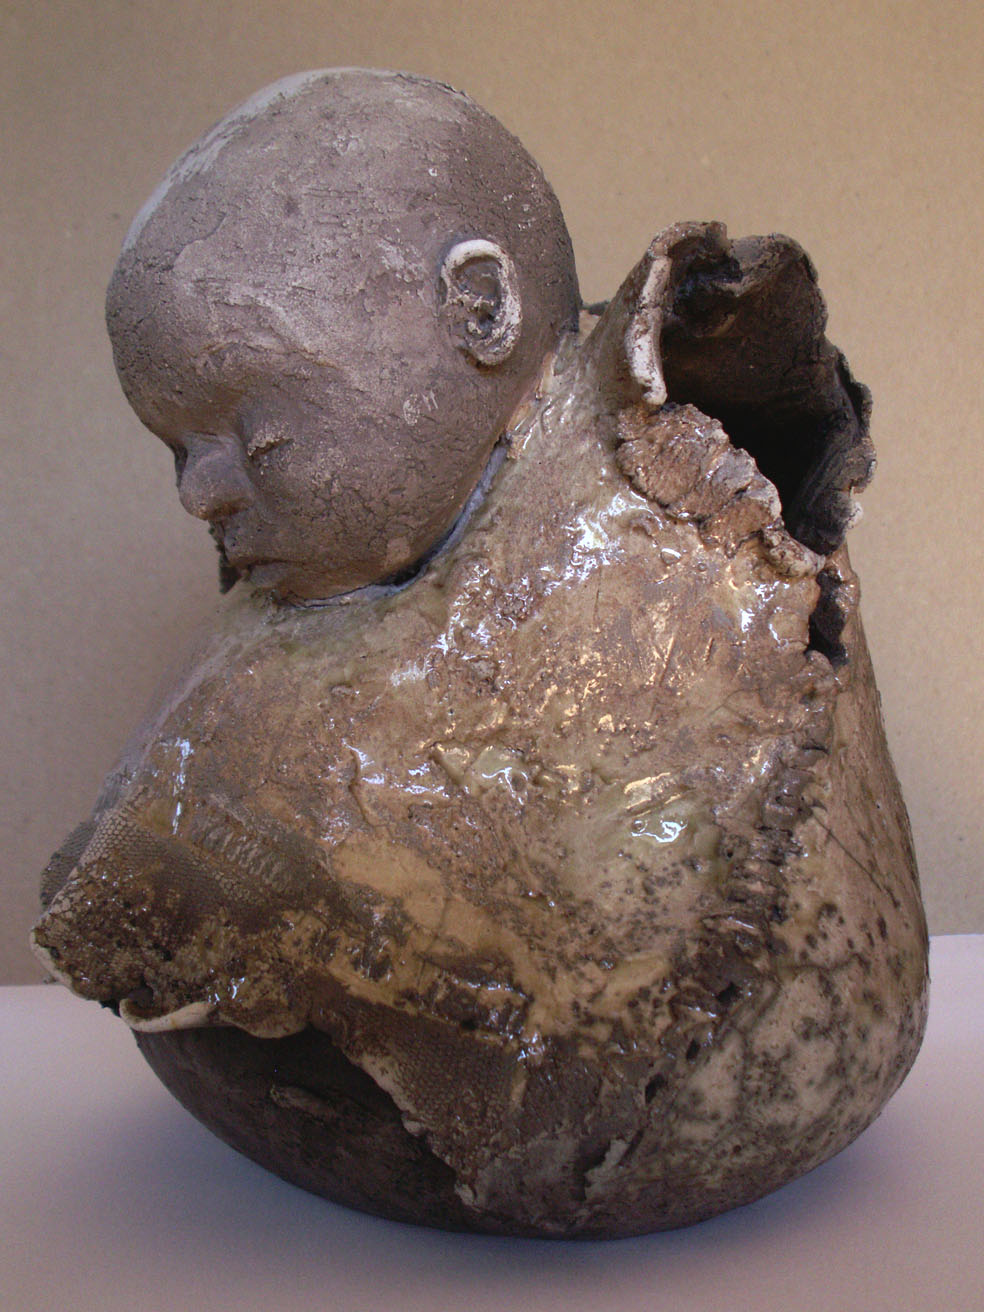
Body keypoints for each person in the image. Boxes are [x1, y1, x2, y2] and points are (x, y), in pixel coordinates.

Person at [32, 70, 926, 1237]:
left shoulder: (691, 560)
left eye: (261, 434)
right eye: (176, 448)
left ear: (481, 312)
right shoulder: (299, 605)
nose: (202, 494)